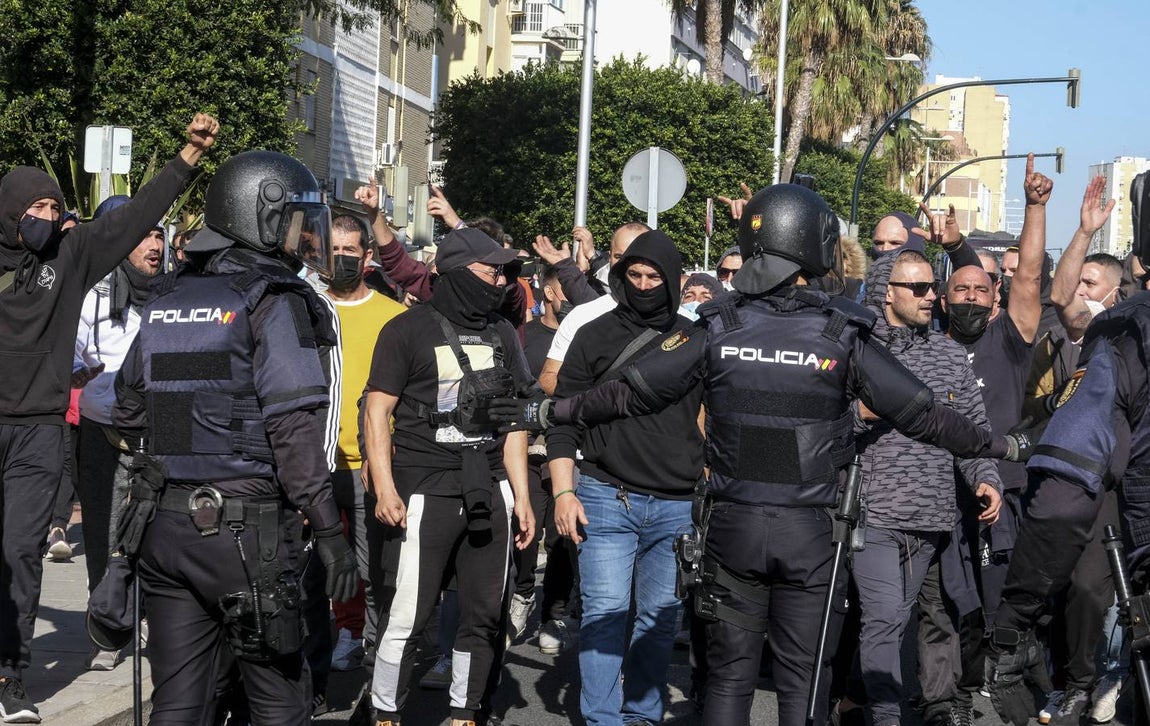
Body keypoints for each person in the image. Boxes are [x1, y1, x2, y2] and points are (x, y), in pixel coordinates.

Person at [503, 183, 1027, 726]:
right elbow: (924, 415)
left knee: (729, 679)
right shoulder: (842, 332)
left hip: (732, 527)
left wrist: (547, 415)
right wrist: (1001, 446)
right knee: (803, 680)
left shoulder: (716, 327)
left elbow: (629, 392)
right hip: (811, 535)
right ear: (815, 245)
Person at [111, 149, 358, 725]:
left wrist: (189, 446)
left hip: (166, 533)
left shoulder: (171, 295)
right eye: (297, 220)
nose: (305, 235)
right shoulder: (273, 300)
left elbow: (127, 408)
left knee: (179, 703)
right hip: (250, 538)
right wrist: (328, 529)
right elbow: (293, 428)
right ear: (263, 214)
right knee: (279, 702)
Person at [0, 113, 217, 724]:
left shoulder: (71, 255)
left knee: (20, 552)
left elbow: (130, 217)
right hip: (38, 423)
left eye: (54, 204)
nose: (47, 214)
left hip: (41, 431)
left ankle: (11, 678)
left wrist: (186, 158)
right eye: (35, 206)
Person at [362, 227, 536, 726]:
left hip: (490, 488)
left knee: (482, 616)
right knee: (408, 617)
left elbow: (515, 419)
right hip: (424, 491)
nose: (501, 280)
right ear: (459, 273)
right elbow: (377, 411)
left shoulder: (503, 332)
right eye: (490, 270)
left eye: (505, 272)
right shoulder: (406, 330)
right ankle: (385, 713)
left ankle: (465, 712)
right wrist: (386, 486)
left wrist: (521, 497)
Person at [548, 229, 704, 726]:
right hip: (603, 495)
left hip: (676, 504)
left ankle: (641, 715)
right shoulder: (593, 335)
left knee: (659, 624)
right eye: (632, 275)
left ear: (673, 280)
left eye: (653, 276)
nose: (642, 284)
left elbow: (714, 416)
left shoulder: (696, 338)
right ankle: (602, 720)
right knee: (605, 616)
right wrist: (563, 490)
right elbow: (562, 420)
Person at [847, 249, 1003, 726]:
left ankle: (854, 703)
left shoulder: (949, 354)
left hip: (931, 519)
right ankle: (886, 716)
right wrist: (858, 415)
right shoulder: (855, 348)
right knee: (885, 617)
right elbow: (818, 422)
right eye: (918, 288)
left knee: (893, 623)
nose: (931, 296)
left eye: (932, 287)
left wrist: (987, 480)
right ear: (885, 292)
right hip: (871, 513)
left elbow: (974, 431)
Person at [72, 198, 167, 671]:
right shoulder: (94, 293)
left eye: (159, 235)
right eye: (145, 234)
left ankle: (149, 616)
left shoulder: (175, 294)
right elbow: (74, 348)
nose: (154, 244)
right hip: (103, 432)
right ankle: (107, 630)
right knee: (103, 532)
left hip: (160, 434)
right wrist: (79, 371)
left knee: (154, 532)